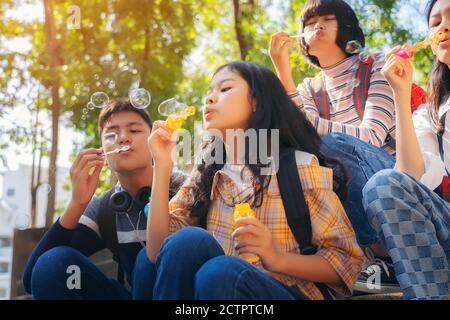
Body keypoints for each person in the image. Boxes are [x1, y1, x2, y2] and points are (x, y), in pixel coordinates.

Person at [138, 61, 364, 300]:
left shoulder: (298, 167)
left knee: (220, 272)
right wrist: (162, 166)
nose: (210, 99)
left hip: (285, 292)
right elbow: (156, 252)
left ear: (256, 102)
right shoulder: (206, 174)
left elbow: (347, 262)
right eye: (209, 92)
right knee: (183, 243)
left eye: (224, 89)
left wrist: (277, 257)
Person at [23, 98, 185, 299]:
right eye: (111, 134)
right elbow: (36, 276)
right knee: (54, 262)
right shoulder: (104, 209)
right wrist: (77, 203)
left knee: (147, 259)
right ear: (103, 152)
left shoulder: (185, 187)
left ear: (155, 139)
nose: (123, 138)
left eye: (134, 131)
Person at [362, 0, 450, 300]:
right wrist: (399, 92)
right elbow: (410, 176)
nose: (443, 27)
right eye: (435, 22)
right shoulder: (432, 113)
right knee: (383, 185)